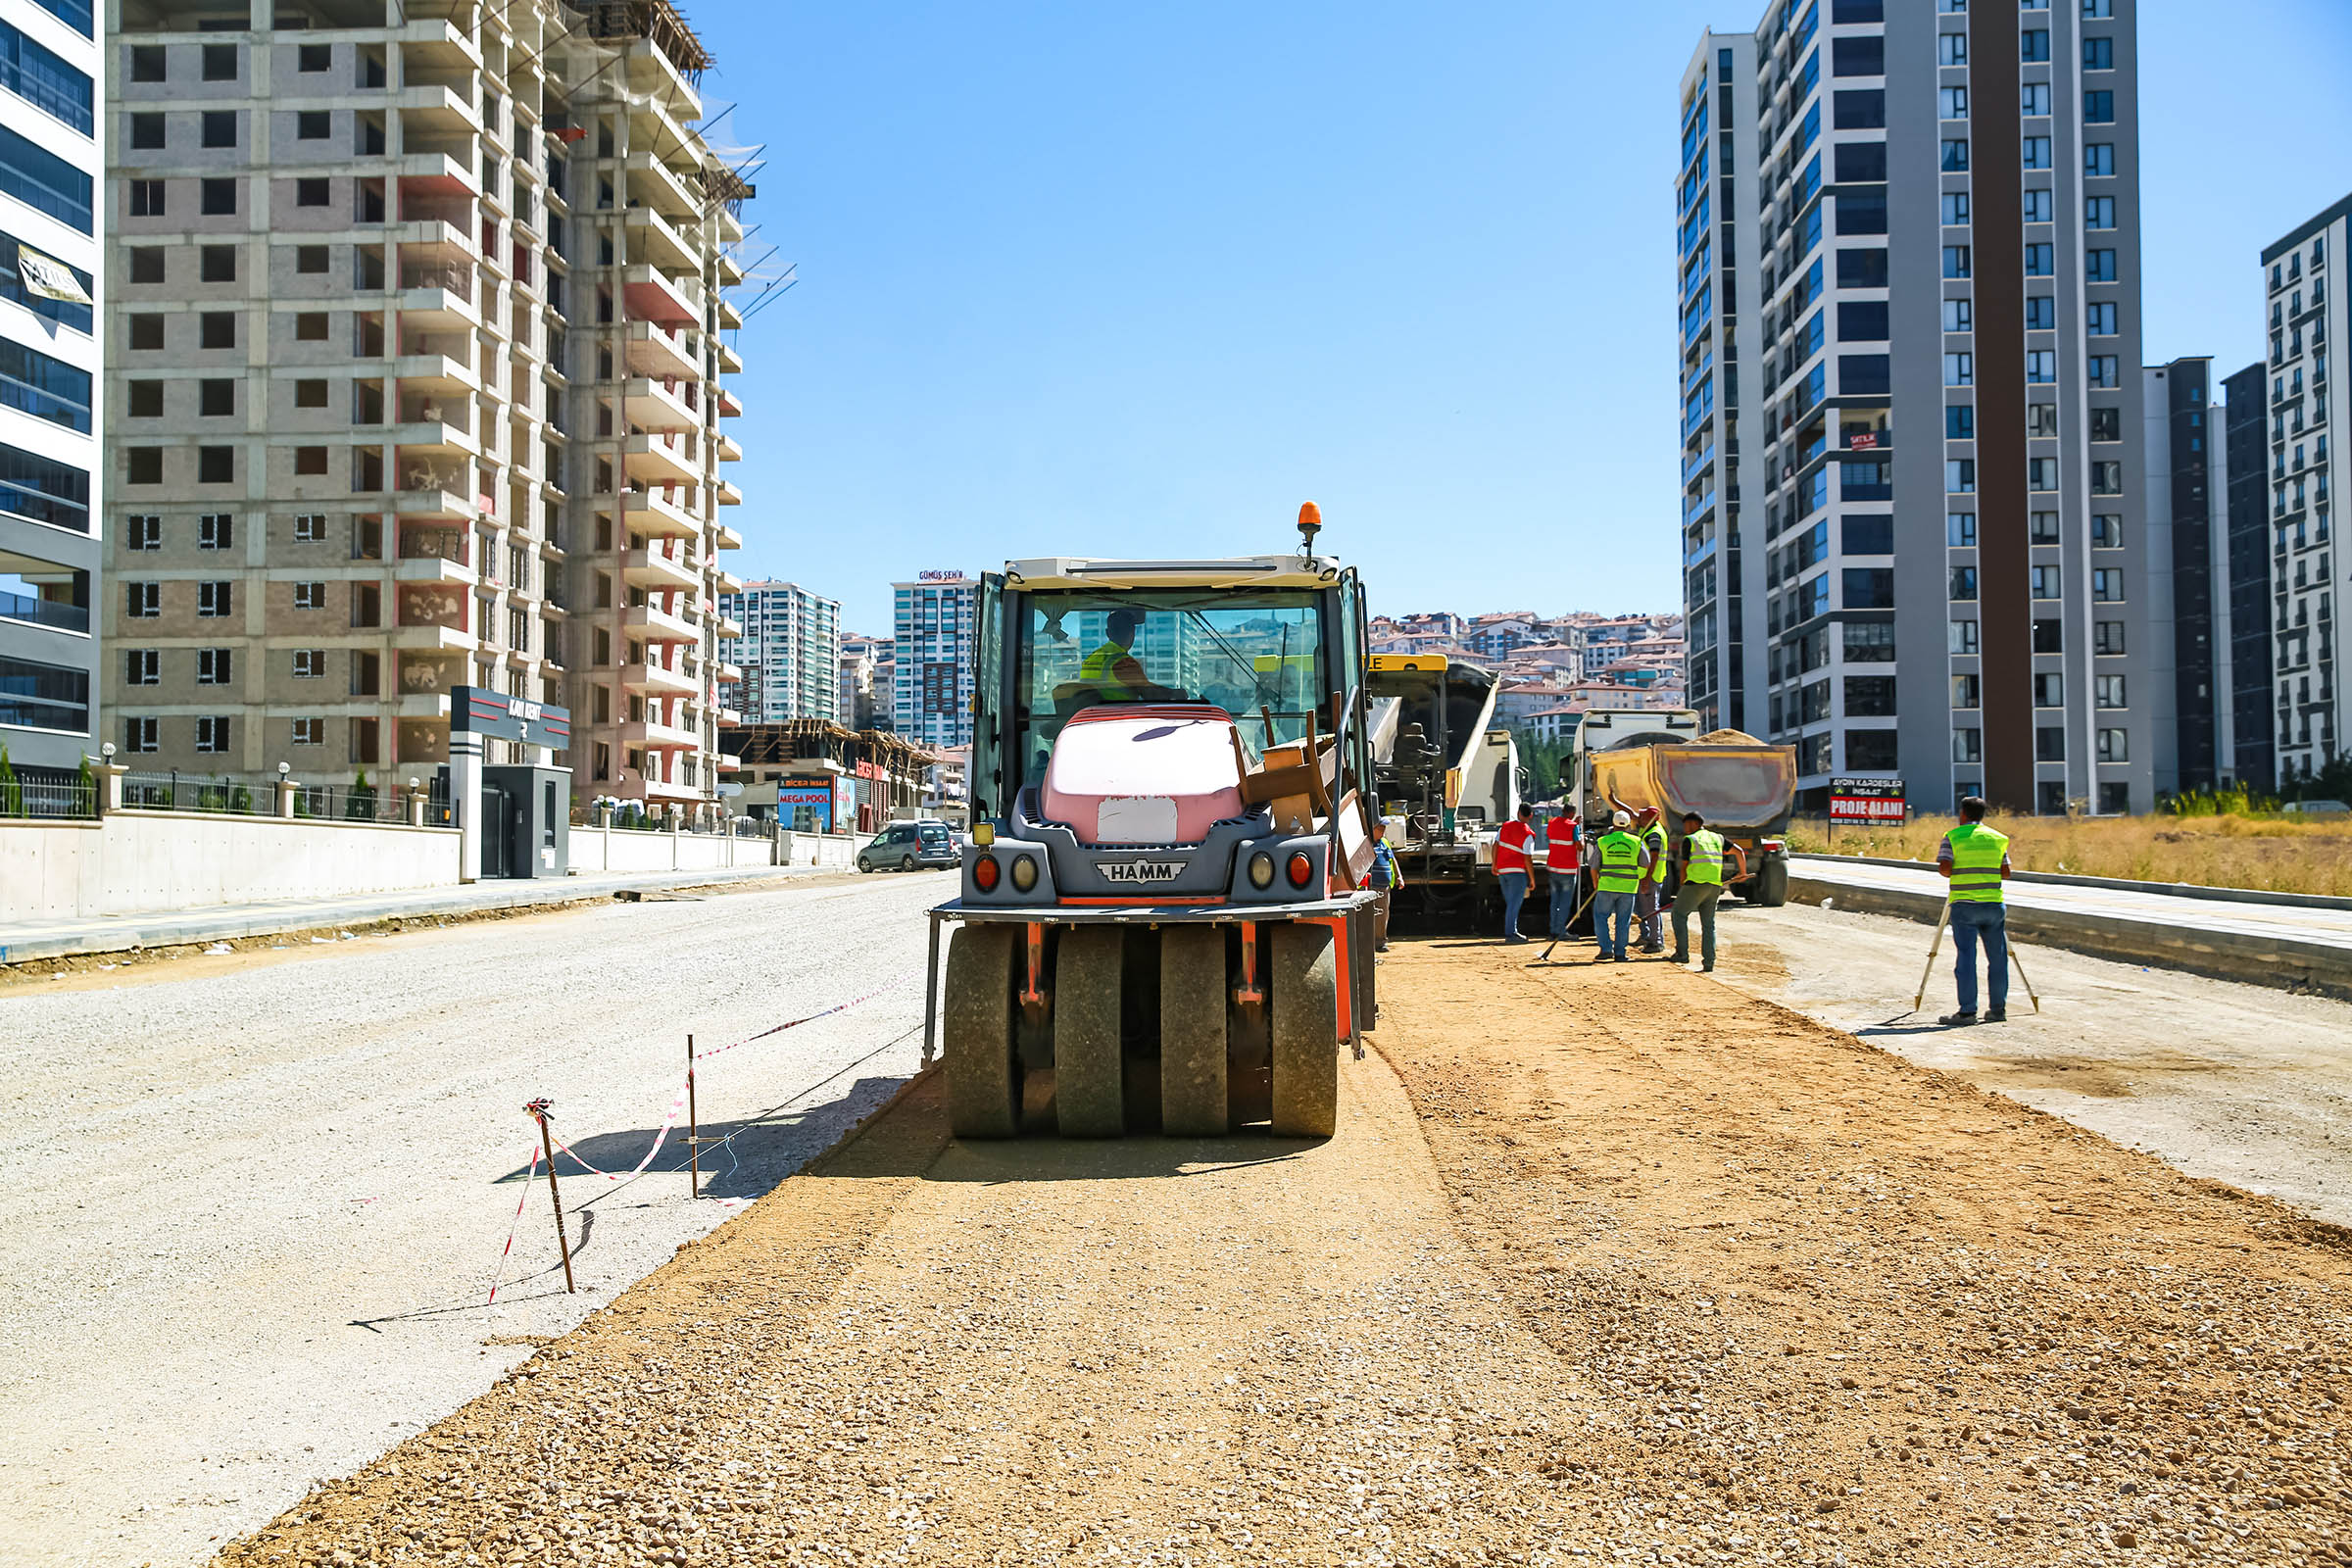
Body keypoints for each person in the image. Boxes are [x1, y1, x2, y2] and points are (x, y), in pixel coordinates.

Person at [1937, 796, 2013, 1025]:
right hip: (1993, 904)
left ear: (1963, 814)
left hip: (1965, 905)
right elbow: (2006, 872)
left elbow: (1945, 868)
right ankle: (1998, 1010)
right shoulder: (1998, 838)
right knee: (1998, 958)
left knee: (1967, 957)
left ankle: (1968, 1012)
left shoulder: (1952, 837)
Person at [1667, 811, 1746, 972]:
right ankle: (1709, 962)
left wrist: (1683, 887)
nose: (1685, 828)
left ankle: (1682, 954)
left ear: (1692, 823)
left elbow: (1684, 867)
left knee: (1679, 915)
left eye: (1685, 825)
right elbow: (1739, 851)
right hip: (1714, 886)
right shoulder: (1718, 838)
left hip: (1695, 884)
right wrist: (1742, 873)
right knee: (1709, 925)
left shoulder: (1690, 840)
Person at [1591, 810, 1645, 961]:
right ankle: (1620, 953)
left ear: (1613, 824)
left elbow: (1594, 866)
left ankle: (1606, 949)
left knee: (1601, 917)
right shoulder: (1636, 841)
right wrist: (1636, 877)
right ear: (1628, 825)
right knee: (1623, 920)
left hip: (1607, 886)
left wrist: (1596, 884)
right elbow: (1645, 864)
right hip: (1628, 888)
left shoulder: (1603, 841)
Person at [1078, 609, 1150, 701]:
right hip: (1119, 713)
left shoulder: (1092, 658)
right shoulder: (1125, 663)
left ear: (1107, 633)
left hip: (1092, 713)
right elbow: (1151, 694)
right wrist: (1173, 694)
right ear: (1132, 633)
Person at [1494, 802, 1537, 944]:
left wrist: (1494, 864)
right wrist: (1532, 879)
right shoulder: (1528, 834)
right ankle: (1511, 933)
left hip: (1503, 871)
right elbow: (1527, 858)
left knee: (1510, 903)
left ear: (1518, 813)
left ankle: (1512, 930)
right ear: (1530, 816)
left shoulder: (1504, 827)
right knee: (1514, 903)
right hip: (1517, 872)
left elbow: (1496, 845)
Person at [1634, 806, 1670, 954]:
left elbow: (1654, 858)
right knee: (1649, 909)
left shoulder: (1654, 834)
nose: (1639, 818)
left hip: (1651, 877)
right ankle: (1652, 938)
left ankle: (1656, 942)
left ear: (1650, 819)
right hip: (1650, 876)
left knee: (1651, 910)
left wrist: (1647, 879)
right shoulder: (1650, 829)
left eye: (1642, 816)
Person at [1364, 817, 1402, 953]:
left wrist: (1399, 877)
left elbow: (1392, 860)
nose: (1382, 831)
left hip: (1384, 886)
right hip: (1371, 886)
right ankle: (1369, 943)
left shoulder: (1384, 842)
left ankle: (1380, 943)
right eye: (1379, 829)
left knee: (1383, 916)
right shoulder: (1366, 843)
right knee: (1370, 916)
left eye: (1383, 829)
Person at [1544, 809, 1583, 941]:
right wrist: (1579, 831)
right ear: (1572, 813)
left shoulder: (1552, 823)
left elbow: (1559, 832)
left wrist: (1574, 824)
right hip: (1567, 870)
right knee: (1564, 903)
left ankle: (1553, 930)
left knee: (1554, 901)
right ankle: (1561, 930)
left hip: (1553, 868)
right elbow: (1580, 846)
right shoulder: (1573, 827)